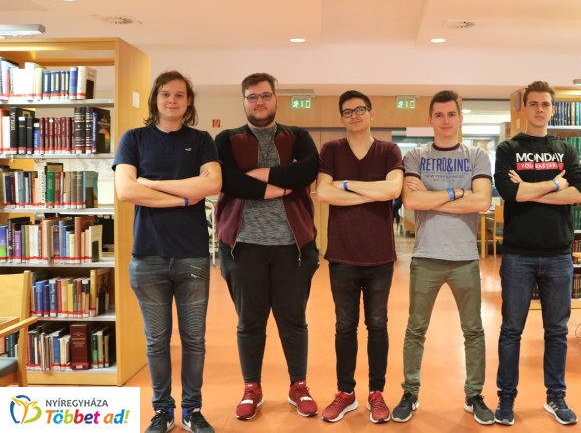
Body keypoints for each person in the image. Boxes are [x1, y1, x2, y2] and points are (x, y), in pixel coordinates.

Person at [113, 70, 222, 433]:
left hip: (192, 256)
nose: (172, 100)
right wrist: (185, 197)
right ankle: (162, 411)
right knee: (157, 342)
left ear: (188, 102)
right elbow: (126, 191)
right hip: (148, 256)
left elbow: (213, 184)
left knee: (194, 340)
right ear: (155, 99)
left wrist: (152, 185)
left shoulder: (202, 140)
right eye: (165, 94)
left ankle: (192, 409)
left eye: (179, 95)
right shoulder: (134, 139)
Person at [214, 72, 320, 422]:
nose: (259, 102)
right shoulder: (226, 139)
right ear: (243, 101)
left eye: (265, 96)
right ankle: (251, 388)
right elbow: (227, 181)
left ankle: (298, 385)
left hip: (293, 246)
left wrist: (256, 176)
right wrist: (277, 183)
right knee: (249, 322)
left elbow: (306, 172)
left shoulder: (297, 136)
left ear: (275, 99)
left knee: (294, 320)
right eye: (252, 97)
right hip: (242, 246)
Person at [391, 90, 494, 425]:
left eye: (451, 114)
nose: (446, 120)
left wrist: (434, 197)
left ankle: (474, 395)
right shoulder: (416, 156)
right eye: (439, 115)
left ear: (460, 118)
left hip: (465, 258)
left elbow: (481, 202)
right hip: (426, 256)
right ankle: (410, 392)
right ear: (430, 120)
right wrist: (458, 193)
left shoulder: (477, 156)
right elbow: (412, 202)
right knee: (415, 329)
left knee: (473, 330)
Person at [493, 80, 581, 426]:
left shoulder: (566, 150)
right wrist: (555, 184)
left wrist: (530, 190)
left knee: (557, 331)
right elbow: (510, 193)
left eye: (545, 104)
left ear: (552, 109)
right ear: (524, 108)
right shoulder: (509, 149)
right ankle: (506, 399)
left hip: (559, 254)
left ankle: (556, 397)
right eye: (533, 104)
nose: (539, 109)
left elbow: (579, 193)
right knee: (511, 331)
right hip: (518, 255)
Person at [315, 90, 404, 423]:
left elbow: (393, 190)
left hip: (380, 256)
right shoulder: (331, 150)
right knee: (344, 326)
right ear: (341, 118)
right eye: (347, 111)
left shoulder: (388, 150)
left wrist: (346, 186)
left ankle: (376, 393)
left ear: (372, 114)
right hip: (342, 255)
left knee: (377, 325)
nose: (354, 115)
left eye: (360, 109)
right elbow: (323, 193)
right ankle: (346, 393)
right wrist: (372, 192)